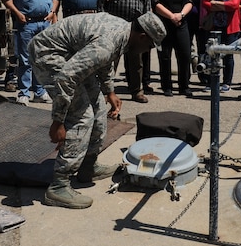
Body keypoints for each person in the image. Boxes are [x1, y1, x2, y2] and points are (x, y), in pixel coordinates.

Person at [29, 11, 166, 209]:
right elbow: (66, 77)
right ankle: (58, 186)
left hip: (70, 55)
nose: (147, 51)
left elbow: (101, 61)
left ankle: (88, 167)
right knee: (82, 117)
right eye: (149, 46)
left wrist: (109, 91)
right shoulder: (109, 41)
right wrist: (58, 121)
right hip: (48, 54)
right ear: (142, 36)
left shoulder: (123, 32)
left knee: (99, 111)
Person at [0, 0, 61, 105]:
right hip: (27, 24)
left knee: (42, 58)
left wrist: (53, 11)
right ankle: (24, 93)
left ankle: (40, 91)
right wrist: (17, 13)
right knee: (26, 60)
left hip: (44, 23)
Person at [97, 0, 151, 103]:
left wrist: (145, 26)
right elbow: (101, 4)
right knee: (110, 62)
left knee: (136, 62)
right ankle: (107, 92)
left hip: (135, 28)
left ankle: (136, 91)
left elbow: (147, 5)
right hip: (114, 28)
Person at [151, 0, 194, 96]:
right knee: (165, 56)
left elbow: (189, 2)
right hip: (164, 25)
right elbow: (156, 4)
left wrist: (180, 15)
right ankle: (167, 86)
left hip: (181, 23)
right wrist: (171, 16)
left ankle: (184, 86)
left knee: (185, 55)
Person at [200, 0, 241, 91]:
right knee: (212, 53)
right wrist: (224, 5)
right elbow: (205, 2)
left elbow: (234, 4)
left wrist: (216, 4)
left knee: (228, 55)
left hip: (230, 26)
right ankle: (212, 81)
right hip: (215, 25)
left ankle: (227, 82)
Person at [136, 0, 155, 95]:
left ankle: (146, 81)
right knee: (135, 54)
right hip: (136, 20)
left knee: (147, 53)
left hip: (147, 21)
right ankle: (136, 82)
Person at [187, 0, 208, 80]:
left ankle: (202, 75)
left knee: (202, 50)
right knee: (187, 48)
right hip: (188, 22)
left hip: (202, 23)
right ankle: (190, 67)